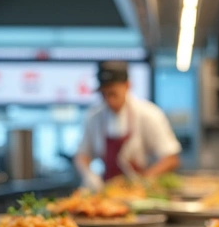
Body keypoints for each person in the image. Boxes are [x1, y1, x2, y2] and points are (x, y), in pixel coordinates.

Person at [74, 60, 181, 190]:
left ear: (127, 86)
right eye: (104, 94)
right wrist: (89, 175)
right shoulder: (94, 117)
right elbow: (82, 154)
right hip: (106, 189)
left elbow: (171, 159)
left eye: (113, 93)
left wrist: (144, 181)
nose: (109, 100)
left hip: (139, 190)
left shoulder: (149, 114)